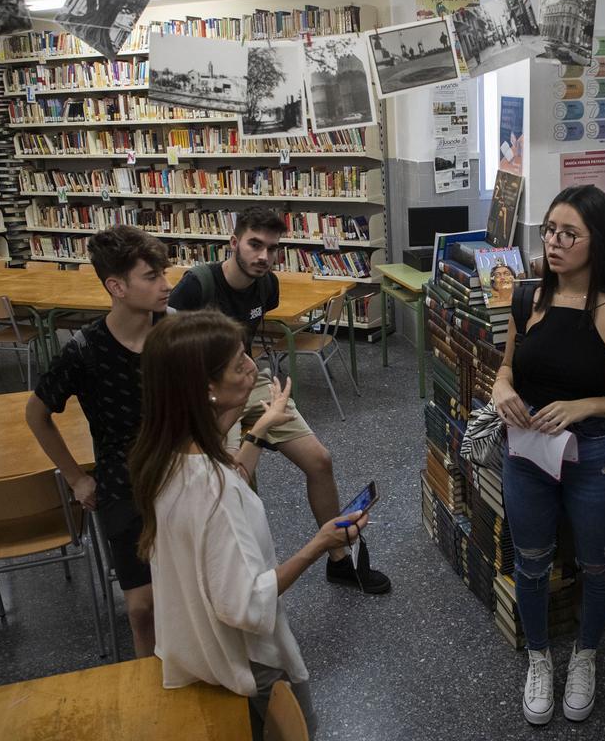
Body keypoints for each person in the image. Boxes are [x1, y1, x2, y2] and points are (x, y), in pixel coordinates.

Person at [129, 310, 368, 731]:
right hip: (248, 665)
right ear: (207, 388)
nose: (254, 367)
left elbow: (224, 474)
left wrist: (260, 427)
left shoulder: (164, 456)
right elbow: (247, 603)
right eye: (240, 363)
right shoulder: (215, 493)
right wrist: (321, 542)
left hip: (192, 651)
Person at [491, 185, 605, 725]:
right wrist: (499, 387)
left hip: (592, 454)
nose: (555, 243)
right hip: (527, 450)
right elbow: (507, 366)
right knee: (533, 560)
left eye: (570, 234)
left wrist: (587, 405)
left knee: (598, 562)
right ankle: (540, 656)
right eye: (549, 230)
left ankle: (585, 655)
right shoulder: (527, 298)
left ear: (597, 242)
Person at [168, 206, 391, 594]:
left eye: (272, 249)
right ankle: (248, 582)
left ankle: (339, 561)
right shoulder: (195, 287)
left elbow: (252, 334)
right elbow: (165, 352)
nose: (264, 257)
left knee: (319, 460)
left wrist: (250, 381)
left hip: (251, 380)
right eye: (255, 245)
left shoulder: (267, 285)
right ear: (233, 242)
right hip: (204, 395)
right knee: (240, 486)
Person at [26, 226, 172, 657]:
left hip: (181, 473)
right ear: (117, 286)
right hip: (122, 484)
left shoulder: (175, 330)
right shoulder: (84, 349)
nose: (165, 284)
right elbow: (36, 414)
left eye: (163, 272)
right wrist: (75, 478)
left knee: (195, 593)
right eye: (151, 276)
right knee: (142, 609)